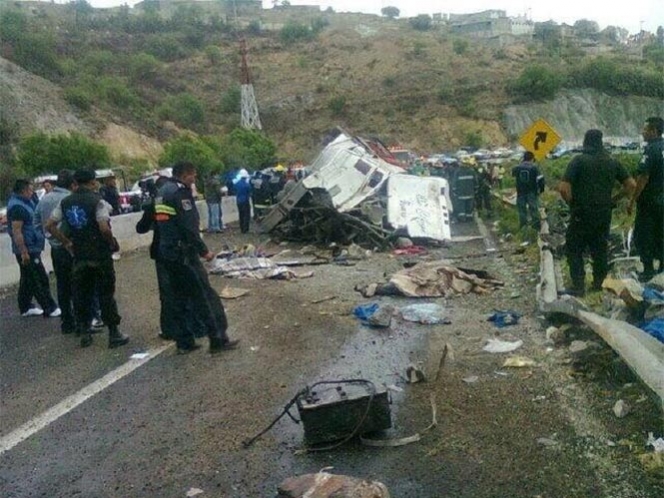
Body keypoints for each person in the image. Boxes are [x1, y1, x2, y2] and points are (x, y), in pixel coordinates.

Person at [155, 161, 239, 354]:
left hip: (168, 254)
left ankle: (184, 342)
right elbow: (188, 228)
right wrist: (204, 251)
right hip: (184, 255)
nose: (194, 179)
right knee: (205, 296)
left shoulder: (161, 192)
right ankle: (217, 339)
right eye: (193, 175)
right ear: (185, 175)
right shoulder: (180, 193)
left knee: (178, 299)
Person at [45, 168, 129, 349]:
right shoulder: (98, 201)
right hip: (99, 254)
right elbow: (104, 228)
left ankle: (84, 332)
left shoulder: (65, 202)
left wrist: (66, 242)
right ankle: (114, 333)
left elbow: (50, 225)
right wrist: (111, 242)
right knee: (106, 293)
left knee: (81, 294)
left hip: (79, 254)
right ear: (92, 182)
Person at [558, 129, 635, 296]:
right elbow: (631, 185)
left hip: (581, 212)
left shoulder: (578, 161)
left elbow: (563, 189)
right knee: (599, 248)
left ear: (585, 141)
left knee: (574, 248)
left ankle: (578, 286)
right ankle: (599, 283)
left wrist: (572, 203)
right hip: (604, 213)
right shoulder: (612, 161)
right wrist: (614, 199)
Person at [136, 176, 206, 341]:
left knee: (168, 293)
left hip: (162, 252)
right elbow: (188, 226)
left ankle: (170, 329)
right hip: (179, 250)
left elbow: (141, 228)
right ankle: (193, 327)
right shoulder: (175, 199)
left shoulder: (156, 204)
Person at [6, 179, 60, 318]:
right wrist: (23, 251)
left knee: (27, 278)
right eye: (30, 190)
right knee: (38, 278)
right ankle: (49, 307)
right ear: (23, 191)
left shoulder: (27, 201)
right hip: (27, 248)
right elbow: (16, 231)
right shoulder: (17, 207)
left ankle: (25, 306)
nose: (32, 192)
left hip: (33, 244)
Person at [34, 169, 77, 333]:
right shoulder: (69, 199)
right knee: (78, 284)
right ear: (72, 184)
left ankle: (66, 322)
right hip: (70, 245)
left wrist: (48, 238)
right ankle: (83, 321)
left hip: (55, 249)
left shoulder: (44, 199)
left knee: (62, 285)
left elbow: (36, 222)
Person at [628, 116, 664, 281]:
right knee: (661, 233)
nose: (643, 132)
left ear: (654, 131)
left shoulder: (651, 150)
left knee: (644, 234)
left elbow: (643, 178)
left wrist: (633, 199)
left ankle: (648, 269)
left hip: (650, 201)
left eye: (646, 129)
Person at [512, 151, 544, 230]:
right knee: (533, 209)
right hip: (532, 191)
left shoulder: (517, 167)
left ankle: (523, 226)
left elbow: (513, 174)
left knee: (522, 210)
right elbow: (541, 180)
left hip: (520, 192)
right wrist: (541, 189)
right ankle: (536, 227)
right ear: (532, 158)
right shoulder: (534, 168)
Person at [452, 157, 476, 222]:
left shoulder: (457, 172)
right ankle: (469, 218)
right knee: (469, 207)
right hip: (470, 193)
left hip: (460, 193)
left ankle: (462, 218)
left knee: (461, 207)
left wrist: (454, 191)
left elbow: (454, 183)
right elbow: (476, 182)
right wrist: (475, 190)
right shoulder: (472, 171)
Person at [234, 169, 252, 234]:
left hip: (238, 201)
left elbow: (234, 191)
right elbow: (249, 192)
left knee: (241, 215)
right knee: (246, 215)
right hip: (245, 201)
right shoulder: (247, 185)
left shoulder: (237, 184)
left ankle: (241, 228)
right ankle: (245, 229)